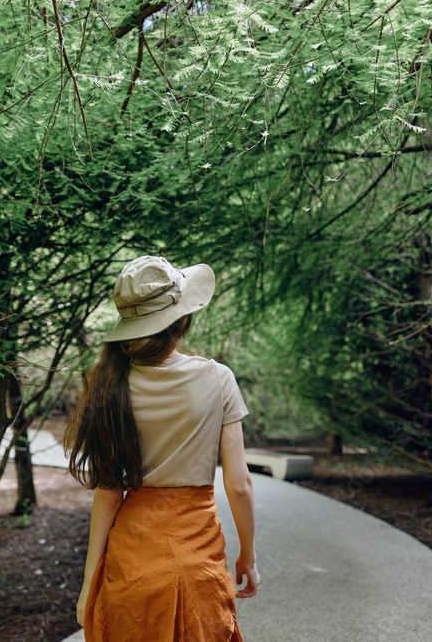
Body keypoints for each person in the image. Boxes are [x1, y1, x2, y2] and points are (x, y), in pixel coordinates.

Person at [65, 255, 260, 642]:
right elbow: (239, 484)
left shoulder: (109, 382)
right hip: (198, 557)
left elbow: (108, 491)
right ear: (182, 319)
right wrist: (248, 556)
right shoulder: (218, 379)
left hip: (132, 560)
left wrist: (90, 581)